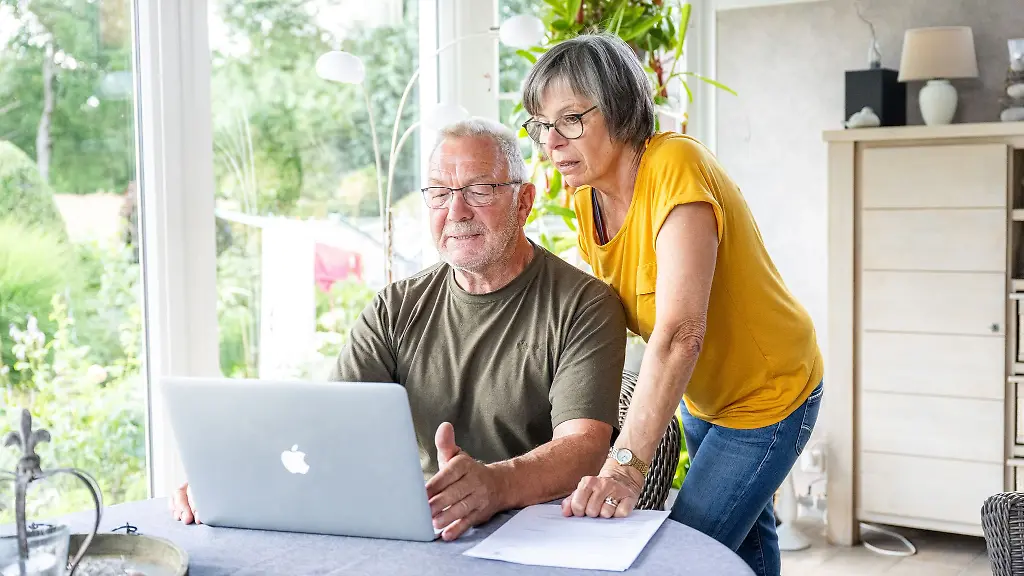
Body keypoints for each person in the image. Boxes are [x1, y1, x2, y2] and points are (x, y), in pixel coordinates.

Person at [171, 118, 629, 542]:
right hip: (416, 531)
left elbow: (583, 449)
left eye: (480, 189)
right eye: (439, 193)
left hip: (535, 538)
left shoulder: (584, 305)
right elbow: (330, 426)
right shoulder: (395, 308)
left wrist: (497, 484)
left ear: (524, 201)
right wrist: (235, 475)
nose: (457, 211)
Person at [520, 33, 823, 576]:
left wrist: (626, 467)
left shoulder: (674, 165)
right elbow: (613, 312)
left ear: (617, 106)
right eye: (541, 126)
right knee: (747, 544)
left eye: (569, 119)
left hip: (769, 392)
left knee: (684, 554)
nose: (551, 142)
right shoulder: (587, 196)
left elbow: (681, 330)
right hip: (703, 397)